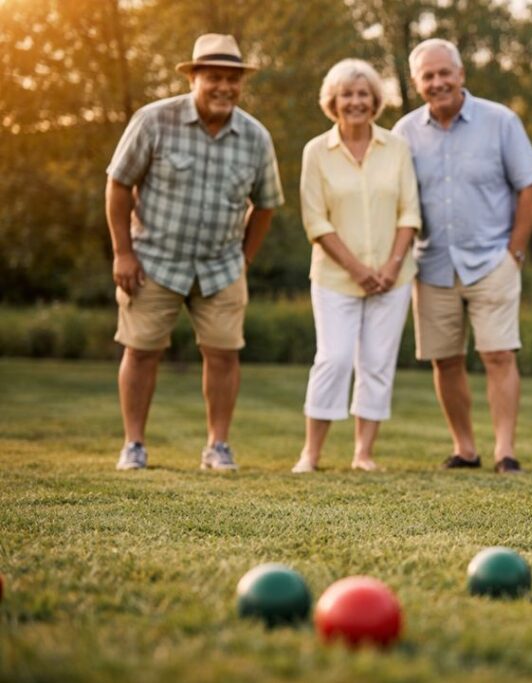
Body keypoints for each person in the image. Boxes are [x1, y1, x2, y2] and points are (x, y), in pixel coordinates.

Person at [106, 34, 284, 472]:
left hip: (222, 267)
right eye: (214, 77)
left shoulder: (256, 137)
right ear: (194, 78)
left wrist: (244, 259)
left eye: (232, 79)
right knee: (141, 349)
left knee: (224, 354)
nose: (224, 86)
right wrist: (122, 253)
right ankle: (134, 445)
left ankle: (217, 446)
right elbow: (118, 184)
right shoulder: (153, 121)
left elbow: (266, 205)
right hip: (153, 261)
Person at [393, 39, 532, 474]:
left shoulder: (500, 121)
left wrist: (514, 251)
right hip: (432, 265)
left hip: (491, 262)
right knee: (445, 360)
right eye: (428, 76)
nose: (438, 82)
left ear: (461, 74)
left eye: (445, 73)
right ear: (416, 83)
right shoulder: (403, 133)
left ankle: (505, 452)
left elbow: (530, 187)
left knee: (499, 355)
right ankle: (465, 449)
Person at [291, 59, 421, 474]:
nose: (355, 101)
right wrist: (358, 269)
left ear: (375, 100)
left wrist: (390, 265)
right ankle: (311, 454)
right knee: (334, 358)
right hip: (334, 279)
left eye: (363, 93)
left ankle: (363, 453)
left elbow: (409, 213)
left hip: (393, 277)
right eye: (346, 94)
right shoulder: (316, 151)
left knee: (378, 362)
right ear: (333, 101)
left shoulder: (396, 147)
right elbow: (315, 220)